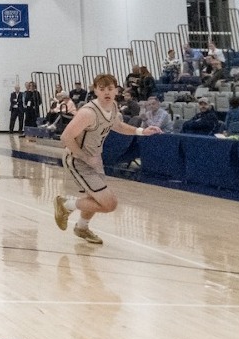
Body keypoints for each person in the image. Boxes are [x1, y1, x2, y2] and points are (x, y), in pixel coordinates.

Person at [52, 74, 163, 245]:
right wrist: (85, 157)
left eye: (110, 88)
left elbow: (117, 126)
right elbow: (66, 137)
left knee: (94, 198)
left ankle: (82, 227)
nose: (106, 92)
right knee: (109, 204)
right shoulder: (88, 113)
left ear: (116, 90)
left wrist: (142, 131)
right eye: (102, 89)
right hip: (78, 159)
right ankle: (65, 205)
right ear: (95, 90)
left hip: (94, 158)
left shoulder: (113, 106)